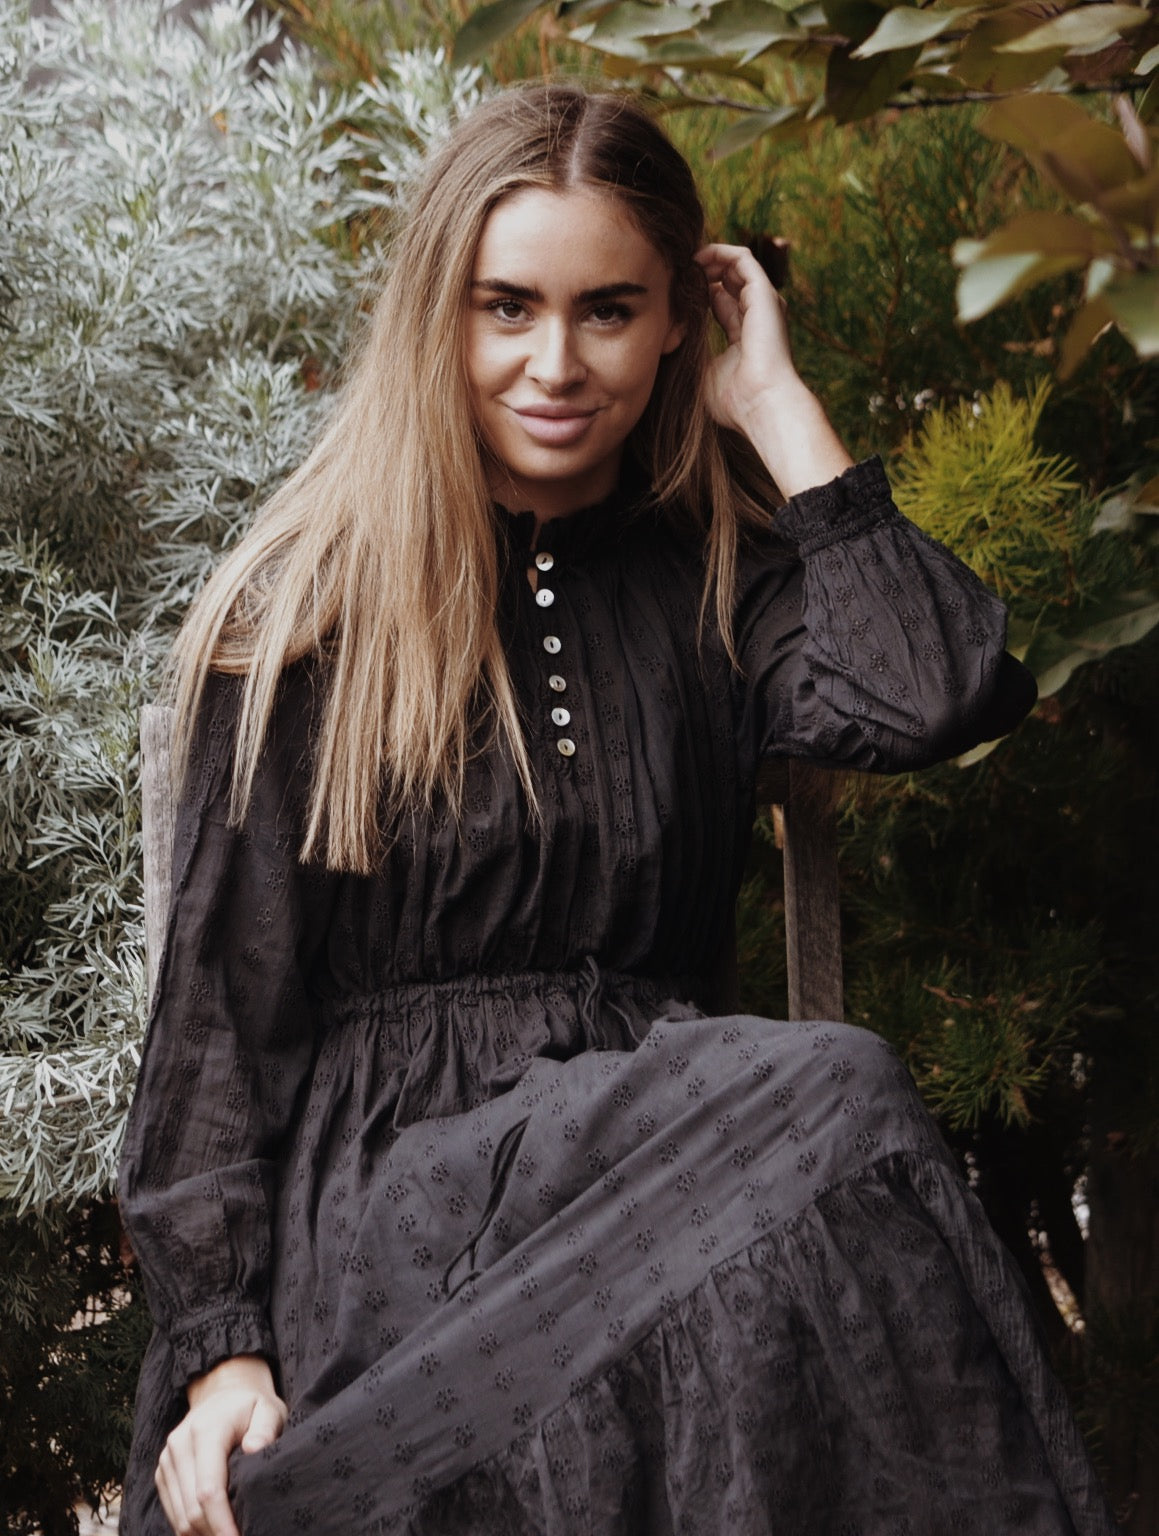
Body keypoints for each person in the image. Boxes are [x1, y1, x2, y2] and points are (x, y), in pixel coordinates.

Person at [118, 83, 1116, 1536]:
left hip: (674, 1185)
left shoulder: (718, 572)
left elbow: (937, 690)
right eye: (506, 307)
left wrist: (776, 407)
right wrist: (222, 1354)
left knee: (823, 1122)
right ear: (438, 317)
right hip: (403, 1216)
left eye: (608, 309)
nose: (556, 363)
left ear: (675, 323)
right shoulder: (314, 612)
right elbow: (218, 1021)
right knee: (832, 1095)